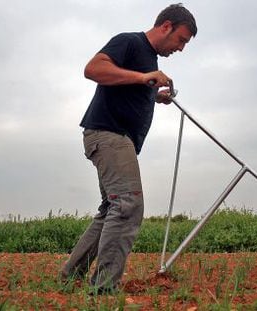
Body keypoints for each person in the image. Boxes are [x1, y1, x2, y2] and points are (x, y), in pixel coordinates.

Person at [61, 3, 197, 294]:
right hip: (109, 135)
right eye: (181, 40)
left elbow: (128, 85)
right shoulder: (130, 41)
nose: (181, 48)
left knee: (111, 207)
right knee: (128, 205)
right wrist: (142, 77)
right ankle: (104, 289)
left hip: (115, 139)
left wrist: (154, 94)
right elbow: (93, 69)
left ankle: (71, 274)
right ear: (166, 27)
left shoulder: (147, 57)